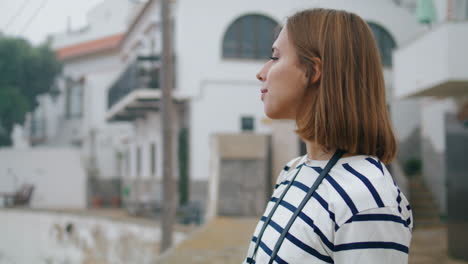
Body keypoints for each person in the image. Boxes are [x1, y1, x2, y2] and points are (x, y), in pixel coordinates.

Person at [243, 8, 413, 264]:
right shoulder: (295, 169)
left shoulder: (367, 196)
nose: (261, 72)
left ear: (313, 70)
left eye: (275, 57)